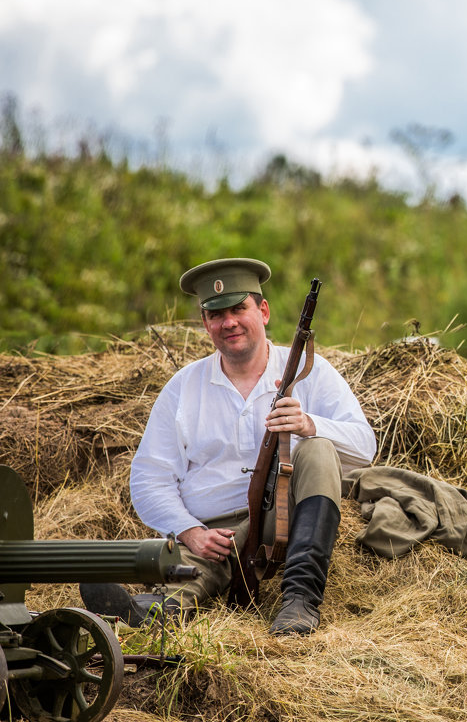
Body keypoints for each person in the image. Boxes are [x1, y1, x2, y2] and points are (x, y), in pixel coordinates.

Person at [81, 258, 377, 636]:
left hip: (281, 517)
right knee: (181, 587)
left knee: (317, 449)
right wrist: (190, 531)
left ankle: (300, 600)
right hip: (210, 535)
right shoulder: (183, 386)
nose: (229, 322)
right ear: (206, 323)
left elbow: (364, 446)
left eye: (239, 308)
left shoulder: (309, 370)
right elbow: (148, 478)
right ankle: (143, 614)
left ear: (264, 311)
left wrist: (307, 424)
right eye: (216, 313)